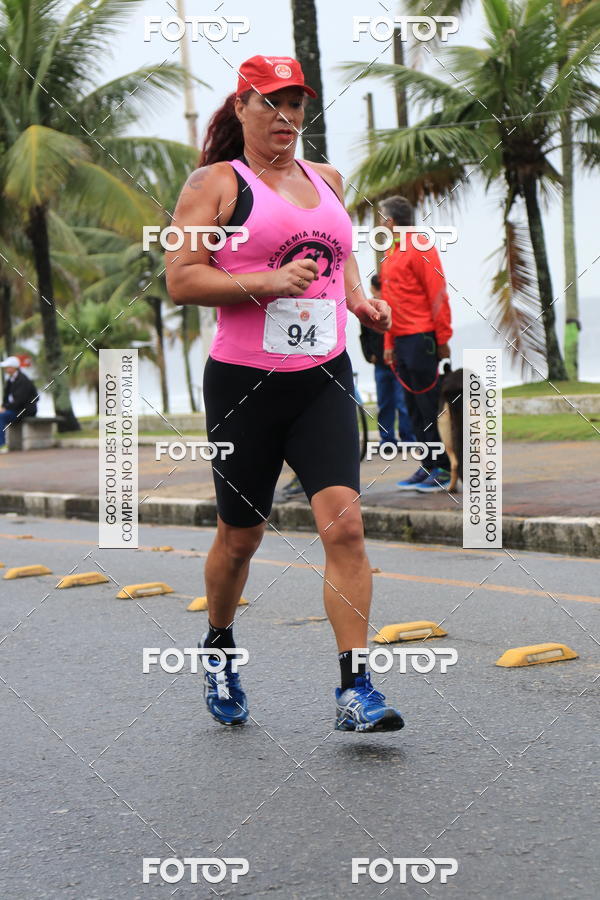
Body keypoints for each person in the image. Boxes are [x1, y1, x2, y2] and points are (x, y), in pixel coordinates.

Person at [166, 55, 404, 733]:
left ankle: (355, 688)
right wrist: (265, 283)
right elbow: (182, 278)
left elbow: (340, 248)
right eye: (270, 103)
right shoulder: (214, 184)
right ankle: (218, 645)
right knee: (242, 538)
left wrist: (359, 298)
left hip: (324, 376)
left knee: (346, 526)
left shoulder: (325, 178)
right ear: (241, 106)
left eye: (295, 104)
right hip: (245, 386)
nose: (286, 117)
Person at [379, 197, 453, 492]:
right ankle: (428, 464)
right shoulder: (391, 252)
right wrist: (388, 341)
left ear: (392, 221)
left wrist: (443, 338)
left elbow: (437, 294)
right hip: (400, 341)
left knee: (428, 405)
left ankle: (445, 468)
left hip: (422, 338)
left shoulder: (421, 246)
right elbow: (388, 302)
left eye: (381, 218)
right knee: (411, 408)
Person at [360, 274, 415, 449]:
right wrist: (370, 356)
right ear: (372, 289)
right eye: (377, 289)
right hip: (380, 365)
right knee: (385, 403)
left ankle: (408, 438)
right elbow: (364, 336)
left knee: (402, 401)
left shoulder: (396, 306)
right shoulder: (369, 308)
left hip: (398, 363)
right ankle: (387, 440)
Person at [0, 356, 38, 454]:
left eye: (7, 367)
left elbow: (20, 400)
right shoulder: (10, 380)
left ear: (13, 367)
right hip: (14, 409)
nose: (6, 369)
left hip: (24, 411)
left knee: (1, 417)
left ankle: (1, 444)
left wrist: (5, 408)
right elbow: (6, 398)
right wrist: (3, 407)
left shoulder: (23, 380)